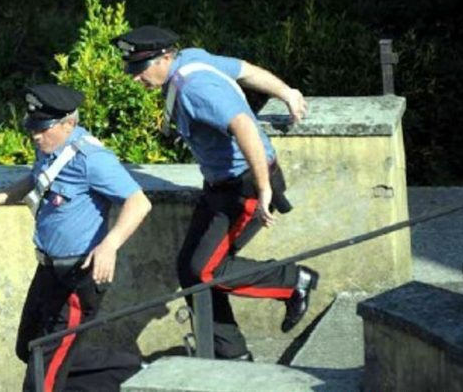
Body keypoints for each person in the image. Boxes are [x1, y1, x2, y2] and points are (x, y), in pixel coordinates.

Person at [112, 26, 320, 361]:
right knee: (190, 271)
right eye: (132, 70)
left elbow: (244, 126)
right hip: (220, 187)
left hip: (244, 187)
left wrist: (264, 188)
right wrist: (287, 91)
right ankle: (231, 354)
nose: (134, 79)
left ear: (165, 58)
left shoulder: (195, 88)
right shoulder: (192, 59)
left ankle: (294, 280)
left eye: (140, 70)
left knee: (205, 271)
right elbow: (247, 71)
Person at [0, 84, 152, 392]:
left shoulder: (92, 159)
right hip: (49, 269)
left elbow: (139, 202)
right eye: (32, 128)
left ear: (68, 124)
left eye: (43, 130)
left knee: (41, 376)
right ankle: (127, 371)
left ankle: (106, 375)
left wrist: (110, 245)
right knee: (28, 347)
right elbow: (37, 179)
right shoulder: (49, 147)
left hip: (79, 276)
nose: (35, 136)